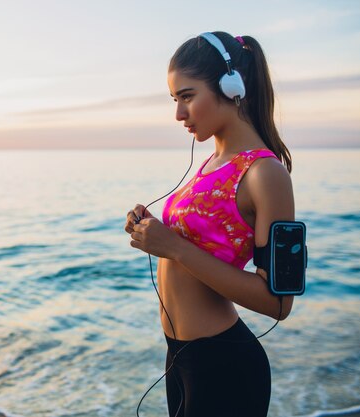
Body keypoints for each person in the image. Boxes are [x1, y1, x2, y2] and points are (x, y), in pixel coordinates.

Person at [124, 31, 295, 417]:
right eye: (175, 100)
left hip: (224, 366)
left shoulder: (265, 173)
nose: (178, 114)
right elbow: (201, 241)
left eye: (187, 97)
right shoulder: (209, 164)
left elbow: (279, 302)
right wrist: (151, 229)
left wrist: (174, 247)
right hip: (180, 358)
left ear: (231, 87)